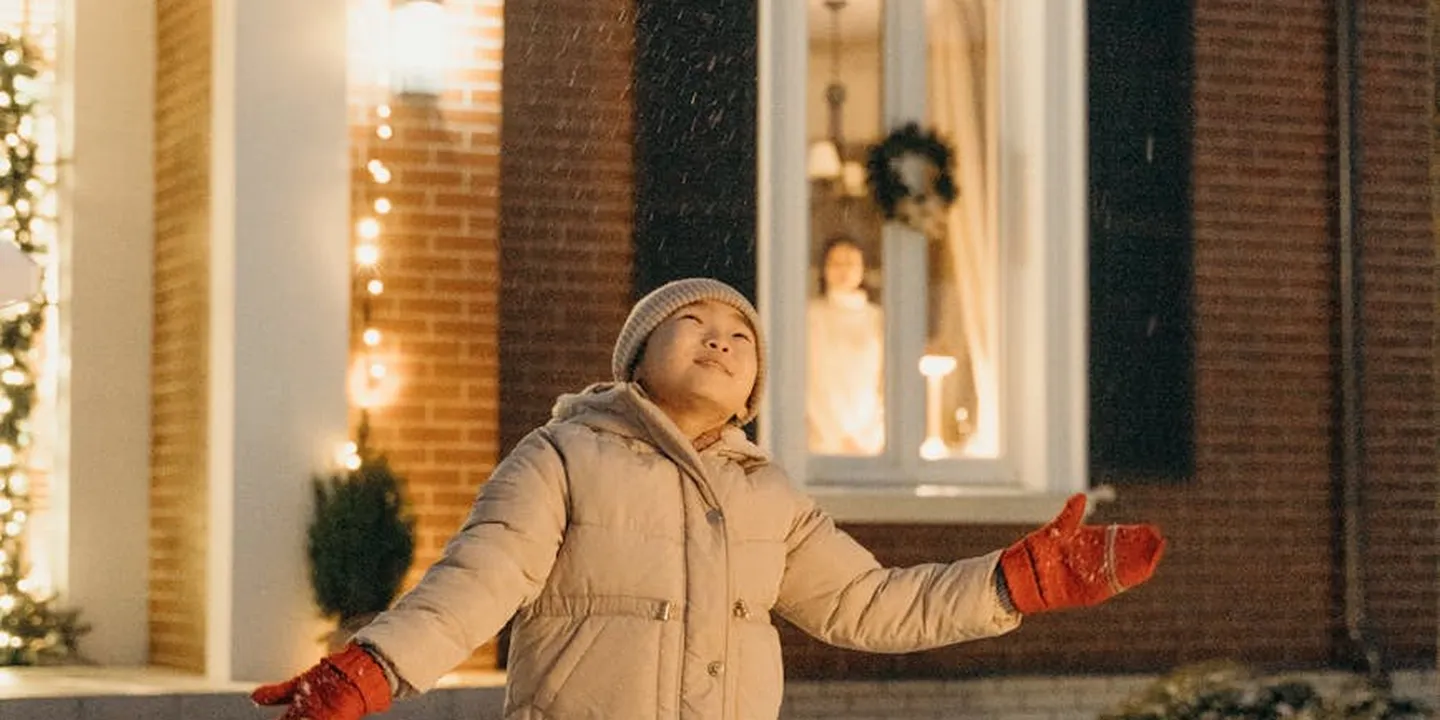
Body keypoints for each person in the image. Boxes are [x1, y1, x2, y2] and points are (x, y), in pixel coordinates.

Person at [252, 277, 1166, 720]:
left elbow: (870, 603)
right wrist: (370, 668)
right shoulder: (564, 456)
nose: (720, 338)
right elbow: (475, 582)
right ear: (636, 361)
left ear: (755, 385)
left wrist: (1012, 582)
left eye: (741, 335)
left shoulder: (768, 497)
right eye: (691, 322)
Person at [807, 235, 885, 455]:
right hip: (818, 439)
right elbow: (808, 384)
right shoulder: (810, 316)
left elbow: (886, 383)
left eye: (851, 263)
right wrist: (835, 435)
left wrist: (871, 435)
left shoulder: (877, 318)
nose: (843, 270)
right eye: (835, 263)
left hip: (871, 442)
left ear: (862, 269)